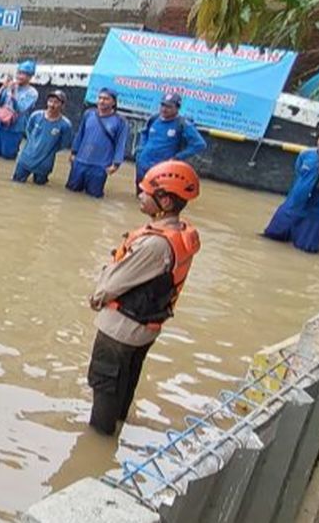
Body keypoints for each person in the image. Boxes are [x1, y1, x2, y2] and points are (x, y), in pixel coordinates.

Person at [87, 161, 201, 435]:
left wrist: (97, 295)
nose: (140, 195)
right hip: (144, 329)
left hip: (120, 330)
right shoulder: (179, 234)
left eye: (146, 192)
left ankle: (98, 442)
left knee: (105, 386)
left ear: (164, 199)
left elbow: (111, 286)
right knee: (124, 382)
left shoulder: (155, 244)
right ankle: (116, 429)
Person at [263, 123, 319, 254]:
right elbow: (298, 173)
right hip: (290, 209)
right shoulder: (306, 155)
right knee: (268, 242)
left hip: (317, 217)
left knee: (306, 254)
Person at [66, 88, 129, 199]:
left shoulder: (120, 121)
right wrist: (73, 152)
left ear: (113, 102)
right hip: (80, 162)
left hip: (100, 167)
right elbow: (80, 134)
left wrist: (116, 164)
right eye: (100, 98)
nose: (101, 101)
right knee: (70, 194)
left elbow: (120, 143)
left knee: (93, 197)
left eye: (106, 99)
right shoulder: (89, 114)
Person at [134, 92, 207, 188]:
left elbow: (199, 144)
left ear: (177, 108)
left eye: (169, 107)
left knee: (156, 196)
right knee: (140, 194)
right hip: (143, 164)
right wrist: (141, 150)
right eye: (162, 105)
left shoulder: (182, 124)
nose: (164, 109)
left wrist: (178, 157)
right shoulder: (154, 118)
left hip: (162, 168)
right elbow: (144, 133)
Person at [13, 89, 73, 185]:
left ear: (62, 105)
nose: (52, 105)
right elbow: (28, 131)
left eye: (56, 102)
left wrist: (49, 149)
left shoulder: (65, 125)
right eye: (50, 101)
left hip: (44, 163)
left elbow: (64, 143)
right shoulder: (36, 116)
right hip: (26, 159)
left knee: (39, 187)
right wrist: (33, 144)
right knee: (16, 183)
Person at [0, 60, 38, 160]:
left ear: (30, 77)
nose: (20, 76)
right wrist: (2, 89)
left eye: (24, 74)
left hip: (14, 129)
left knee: (8, 157)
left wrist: (13, 93)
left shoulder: (32, 93)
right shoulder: (9, 86)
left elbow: (20, 108)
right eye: (19, 73)